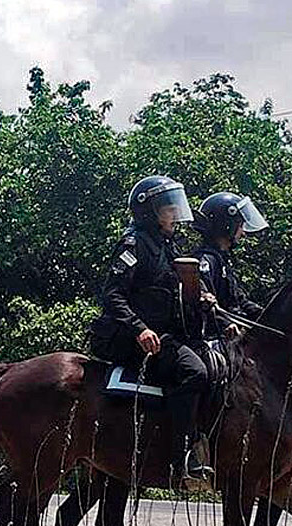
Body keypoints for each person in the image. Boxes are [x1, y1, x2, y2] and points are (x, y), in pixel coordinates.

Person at [90, 175, 214, 490]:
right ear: (149, 212)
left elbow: (173, 292)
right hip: (130, 337)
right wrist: (140, 329)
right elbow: (113, 295)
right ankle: (180, 458)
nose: (175, 213)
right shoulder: (133, 244)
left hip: (166, 336)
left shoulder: (168, 246)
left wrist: (202, 296)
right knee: (194, 373)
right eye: (167, 208)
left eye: (175, 207)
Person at [192, 192, 268, 331]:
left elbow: (239, 301)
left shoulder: (222, 260)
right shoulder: (205, 261)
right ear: (227, 225)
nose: (243, 233)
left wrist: (267, 316)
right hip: (214, 338)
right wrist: (224, 323)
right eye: (240, 226)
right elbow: (202, 304)